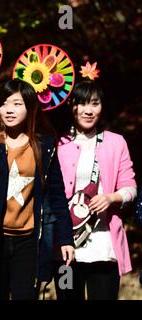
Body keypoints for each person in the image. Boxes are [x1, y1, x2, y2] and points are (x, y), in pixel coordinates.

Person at [0, 79, 74, 300]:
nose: (9, 110)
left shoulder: (44, 145)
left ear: (30, 107)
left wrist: (65, 239)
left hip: (28, 240)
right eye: (4, 103)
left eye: (17, 103)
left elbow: (56, 195)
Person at [55, 80, 137, 300]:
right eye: (81, 104)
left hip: (104, 245)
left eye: (94, 104)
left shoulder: (116, 142)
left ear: (102, 107)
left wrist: (112, 197)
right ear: (71, 105)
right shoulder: (59, 143)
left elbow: (130, 187)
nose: (88, 111)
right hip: (65, 247)